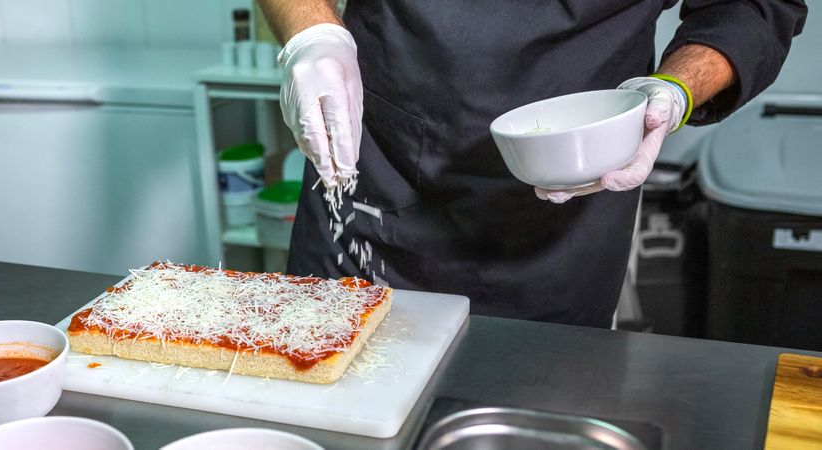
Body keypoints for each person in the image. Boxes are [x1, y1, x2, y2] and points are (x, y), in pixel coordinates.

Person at [258, 0, 808, 327]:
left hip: (565, 205)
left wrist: (675, 90)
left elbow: (753, 7)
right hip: (375, 168)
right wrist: (313, 35)